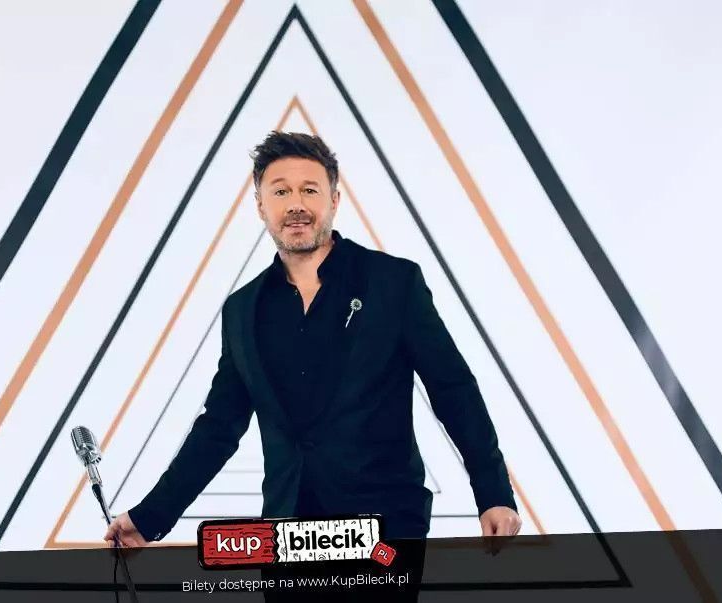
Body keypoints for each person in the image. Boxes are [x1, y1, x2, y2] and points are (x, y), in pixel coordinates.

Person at [105, 131, 522, 597]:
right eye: (281, 191)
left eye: (309, 190)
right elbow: (218, 428)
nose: (296, 205)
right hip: (287, 534)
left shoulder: (393, 283)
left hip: (384, 530)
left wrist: (493, 492)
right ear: (260, 206)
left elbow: (453, 388)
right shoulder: (243, 310)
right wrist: (150, 517)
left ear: (334, 200)